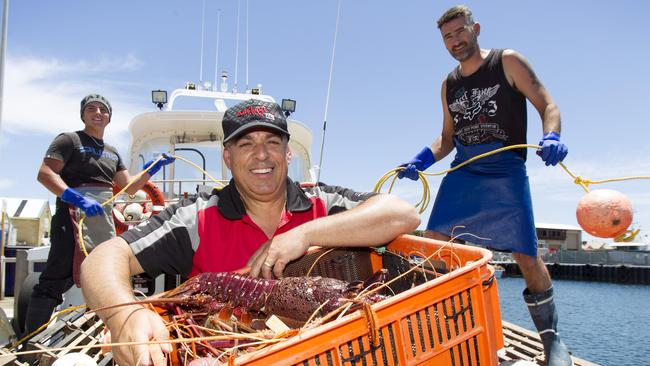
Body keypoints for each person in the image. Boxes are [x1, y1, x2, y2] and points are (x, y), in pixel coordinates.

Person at [80, 98, 420, 366]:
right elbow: (103, 257)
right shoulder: (195, 216)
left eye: (273, 141)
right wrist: (124, 316)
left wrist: (305, 234)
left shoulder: (323, 202)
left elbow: (401, 213)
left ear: (287, 153)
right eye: (246, 144)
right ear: (227, 157)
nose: (261, 154)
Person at [396, 6, 571, 366]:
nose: (455, 40)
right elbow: (446, 139)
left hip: (506, 169)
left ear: (475, 29)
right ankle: (440, 330)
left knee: (525, 253)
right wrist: (420, 160)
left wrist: (551, 135)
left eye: (460, 32)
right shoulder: (449, 83)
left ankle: (552, 340)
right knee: (434, 245)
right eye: (448, 36)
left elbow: (547, 103)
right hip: (465, 169)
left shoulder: (507, 62)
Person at [24, 94, 174, 335]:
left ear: (109, 117)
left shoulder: (112, 153)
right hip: (71, 219)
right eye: (92, 108)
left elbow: (130, 188)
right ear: (83, 114)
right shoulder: (69, 140)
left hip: (102, 221)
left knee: (101, 275)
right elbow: (45, 174)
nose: (98, 113)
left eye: (103, 110)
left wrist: (152, 169)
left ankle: (99, 330)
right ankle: (29, 339)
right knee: (54, 281)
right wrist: (77, 199)